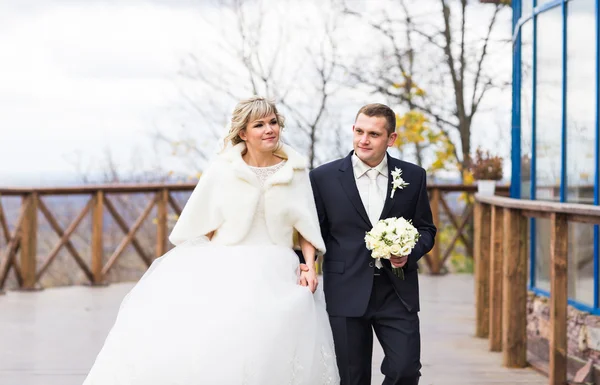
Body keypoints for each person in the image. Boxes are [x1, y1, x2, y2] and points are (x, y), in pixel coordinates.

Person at [82, 96, 339, 385]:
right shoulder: (223, 169)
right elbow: (200, 222)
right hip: (227, 263)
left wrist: (309, 266)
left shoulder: (296, 170)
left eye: (273, 122)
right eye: (259, 124)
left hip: (279, 268)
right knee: (221, 342)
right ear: (243, 133)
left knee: (272, 343)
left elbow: (306, 226)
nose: (270, 129)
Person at [306, 103, 436, 385]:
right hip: (346, 288)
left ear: (391, 139)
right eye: (359, 131)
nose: (363, 140)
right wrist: (305, 266)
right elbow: (312, 234)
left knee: (405, 371)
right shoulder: (322, 178)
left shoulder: (413, 177)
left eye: (374, 134)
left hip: (397, 290)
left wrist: (409, 252)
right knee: (352, 378)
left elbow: (426, 229)